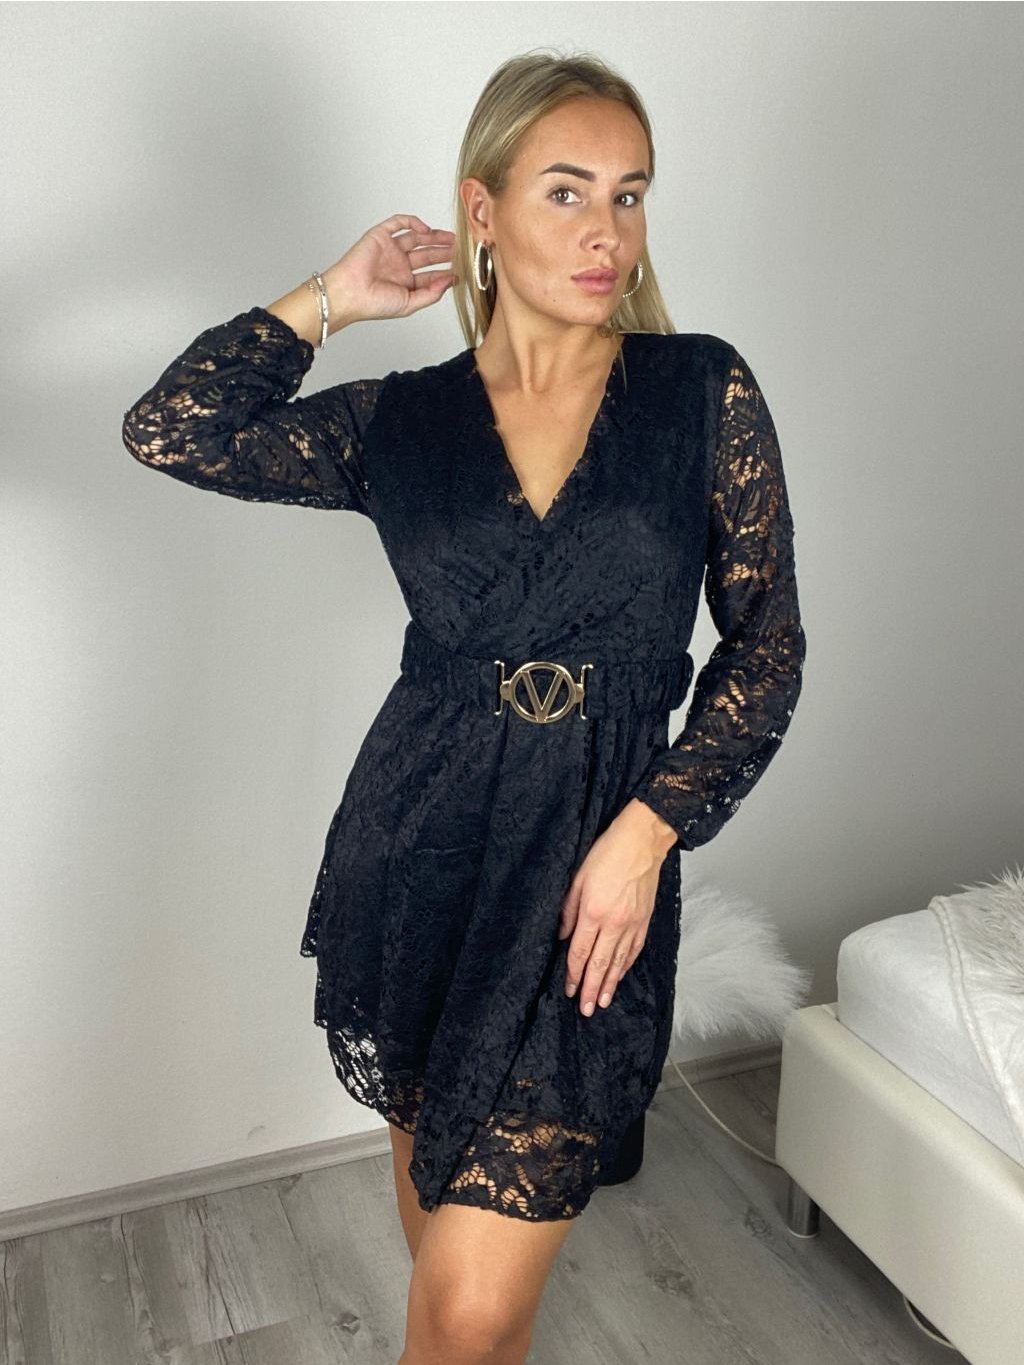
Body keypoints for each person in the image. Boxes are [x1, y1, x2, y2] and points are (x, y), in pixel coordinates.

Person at [122, 49, 806, 1365]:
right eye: (566, 191)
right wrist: (336, 296)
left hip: (590, 866)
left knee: (475, 1305)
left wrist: (649, 831)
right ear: (481, 210)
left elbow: (766, 641)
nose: (607, 231)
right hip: (418, 847)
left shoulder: (697, 390)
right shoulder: (404, 421)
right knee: (447, 1284)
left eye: (630, 194)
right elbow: (175, 428)